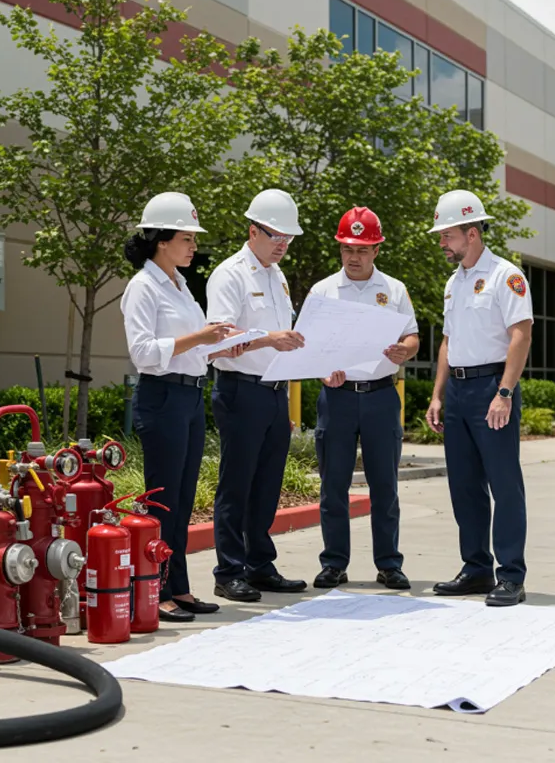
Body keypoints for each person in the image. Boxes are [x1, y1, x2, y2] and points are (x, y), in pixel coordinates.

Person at [120, 191, 246, 622]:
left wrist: (218, 347)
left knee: (184, 496)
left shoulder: (180, 285)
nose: (194, 246)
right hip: (163, 396)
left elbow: (190, 348)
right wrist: (201, 338)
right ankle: (155, 591)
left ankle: (178, 587)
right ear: (161, 240)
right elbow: (143, 352)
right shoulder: (143, 287)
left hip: (190, 395)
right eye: (186, 238)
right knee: (162, 500)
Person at [424, 189, 533, 607]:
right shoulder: (454, 282)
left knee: (504, 485)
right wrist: (437, 395)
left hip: (492, 388)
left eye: (447, 235)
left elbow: (521, 334)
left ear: (472, 233)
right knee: (464, 486)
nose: (442, 243)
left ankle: (510, 575)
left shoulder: (507, 276)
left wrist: (505, 392)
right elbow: (448, 342)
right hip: (459, 391)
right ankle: (475, 569)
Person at [307, 206, 419, 591]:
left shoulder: (394, 290)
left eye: (362, 249)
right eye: (347, 249)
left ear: (376, 250)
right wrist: (323, 370)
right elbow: (307, 345)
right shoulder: (322, 291)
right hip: (337, 397)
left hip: (381, 397)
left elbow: (412, 337)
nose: (353, 257)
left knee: (384, 485)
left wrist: (406, 350)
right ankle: (334, 563)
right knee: (333, 485)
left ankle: (389, 563)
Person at [205, 188, 308, 602]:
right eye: (275, 235)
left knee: (267, 484)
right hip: (240, 391)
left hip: (273, 393)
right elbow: (220, 338)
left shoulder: (276, 276)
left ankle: (259, 565)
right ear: (253, 231)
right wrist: (271, 340)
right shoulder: (230, 274)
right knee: (237, 485)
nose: (283, 244)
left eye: (288, 238)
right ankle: (229, 570)